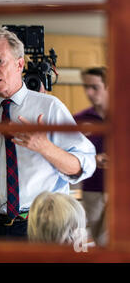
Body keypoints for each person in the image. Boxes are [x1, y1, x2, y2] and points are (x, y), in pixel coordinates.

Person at [0, 27, 96, 238]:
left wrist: (46, 148)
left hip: (42, 227)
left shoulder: (50, 108)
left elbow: (85, 165)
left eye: (0, 61)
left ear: (19, 64)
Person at [74, 67, 108, 246]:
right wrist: (93, 160)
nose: (88, 92)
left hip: (122, 189)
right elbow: (69, 152)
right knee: (99, 242)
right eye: (86, 87)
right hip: (92, 189)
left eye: (95, 87)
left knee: (114, 241)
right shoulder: (79, 119)